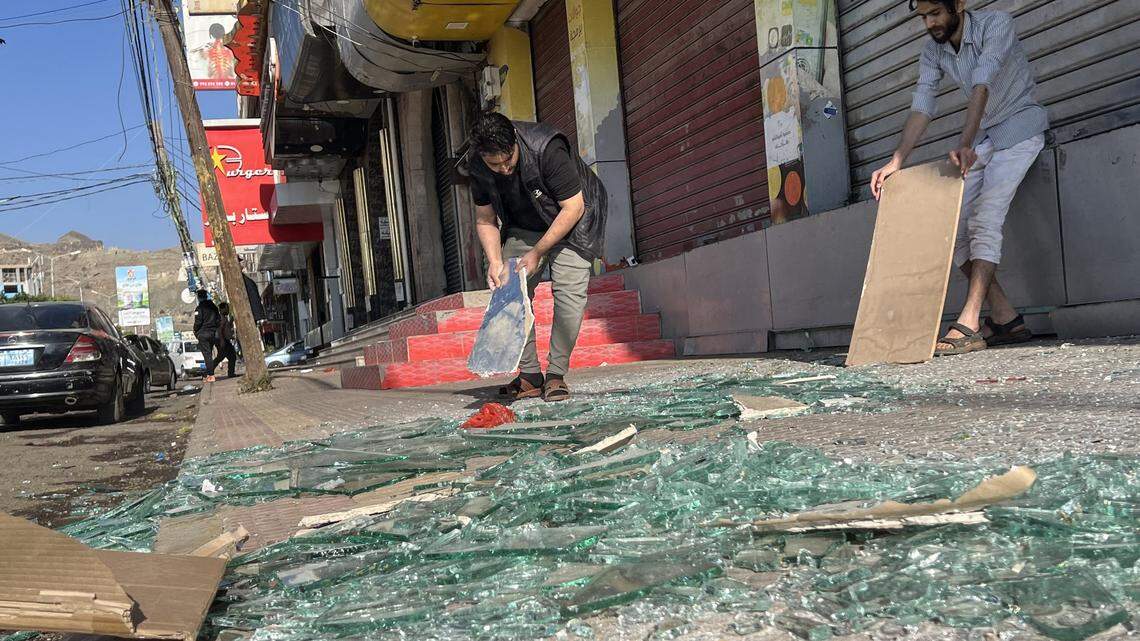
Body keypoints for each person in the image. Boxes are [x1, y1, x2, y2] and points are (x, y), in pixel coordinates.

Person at [871, 0, 1048, 357]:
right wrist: (896, 161)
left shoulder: (996, 25)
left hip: (1019, 131)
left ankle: (968, 322)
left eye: (935, 13)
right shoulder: (933, 50)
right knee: (950, 226)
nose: (929, 23)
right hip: (985, 141)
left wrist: (965, 143)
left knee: (985, 219)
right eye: (923, 16)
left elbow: (983, 82)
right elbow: (922, 105)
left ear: (959, 5)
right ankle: (1005, 316)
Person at [465, 111, 608, 402]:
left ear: (516, 141)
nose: (504, 168)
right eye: (496, 164)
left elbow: (573, 208)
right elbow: (484, 219)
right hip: (524, 225)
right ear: (482, 156)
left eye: (509, 159)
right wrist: (494, 261)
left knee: (569, 294)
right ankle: (529, 375)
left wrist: (538, 252)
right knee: (509, 291)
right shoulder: (477, 166)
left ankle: (556, 374)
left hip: (575, 221)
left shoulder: (547, 146)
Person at [192, 289, 222, 382]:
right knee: (210, 355)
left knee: (207, 355)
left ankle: (210, 375)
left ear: (199, 297)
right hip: (213, 333)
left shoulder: (199, 309)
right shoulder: (214, 307)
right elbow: (218, 320)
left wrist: (195, 331)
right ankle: (208, 374)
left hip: (203, 334)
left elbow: (198, 322)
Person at [216, 302, 239, 379]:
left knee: (223, 357)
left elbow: (226, 328)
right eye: (227, 308)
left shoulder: (224, 318)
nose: (228, 310)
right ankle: (230, 373)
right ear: (222, 309)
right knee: (230, 356)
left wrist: (231, 321)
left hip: (224, 340)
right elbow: (220, 330)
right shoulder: (221, 318)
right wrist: (222, 340)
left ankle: (231, 373)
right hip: (223, 341)